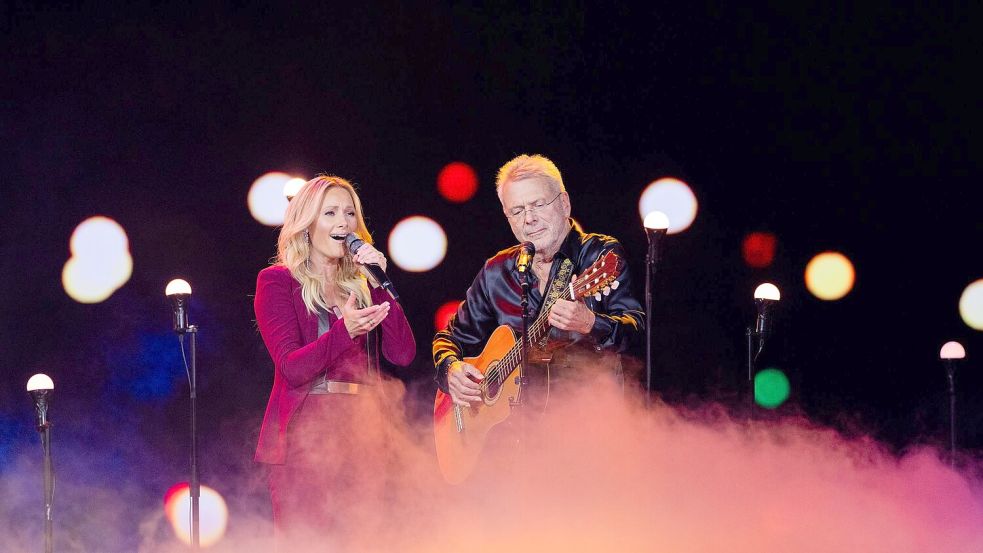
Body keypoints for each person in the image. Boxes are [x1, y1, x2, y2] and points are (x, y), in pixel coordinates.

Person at [253, 175, 415, 544]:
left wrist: (377, 281)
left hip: (363, 433)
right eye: (330, 213)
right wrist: (346, 331)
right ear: (307, 225)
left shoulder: (360, 283)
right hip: (305, 434)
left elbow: (402, 354)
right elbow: (292, 367)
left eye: (349, 213)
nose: (343, 223)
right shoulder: (278, 281)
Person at [433, 154, 644, 409]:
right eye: (518, 210)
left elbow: (637, 331)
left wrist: (591, 323)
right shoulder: (496, 271)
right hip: (513, 435)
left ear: (564, 203)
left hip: (588, 418)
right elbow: (451, 337)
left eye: (538, 204)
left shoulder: (598, 254)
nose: (529, 218)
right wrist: (450, 369)